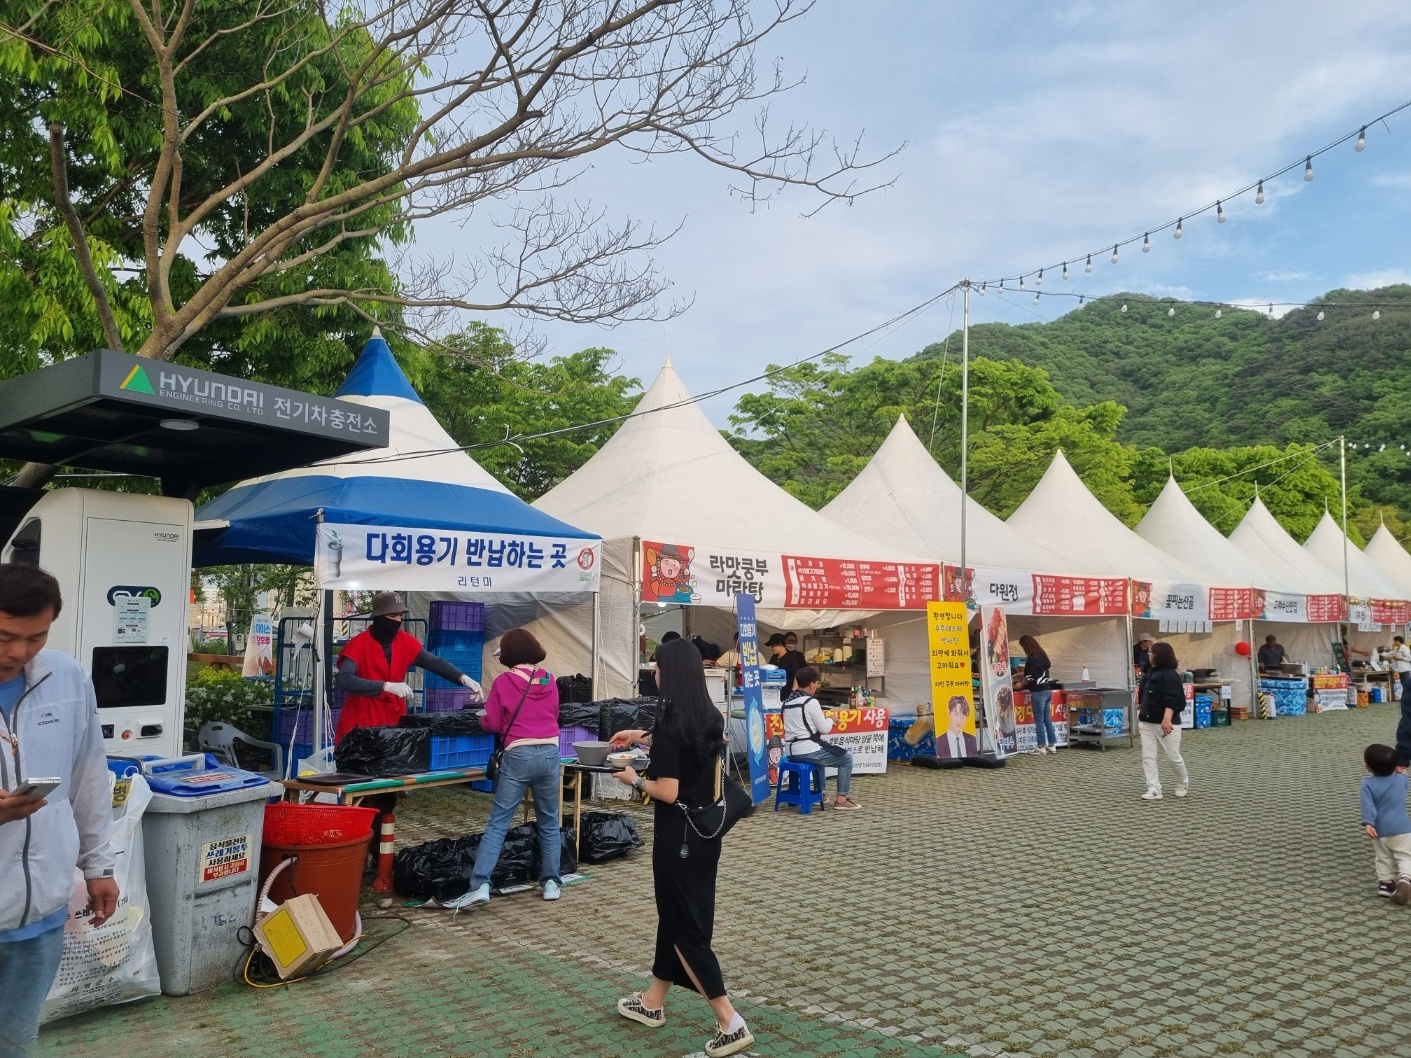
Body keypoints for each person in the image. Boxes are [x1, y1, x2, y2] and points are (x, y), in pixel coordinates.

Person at [607, 639, 755, 1058]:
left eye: (656, 667)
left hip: (679, 838)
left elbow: (667, 791)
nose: (654, 673)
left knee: (684, 926)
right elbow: (684, 746)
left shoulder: (672, 723)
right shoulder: (706, 713)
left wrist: (634, 779)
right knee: (678, 916)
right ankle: (652, 1001)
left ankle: (729, 1019)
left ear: (666, 674)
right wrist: (641, 735)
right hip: (706, 835)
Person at [0, 565, 119, 1057]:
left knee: (16, 1041)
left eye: (36, 636)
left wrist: (99, 865)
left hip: (40, 913)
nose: (19, 652)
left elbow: (90, 773)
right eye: (5, 636)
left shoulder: (66, 676)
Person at [453, 628, 562, 907]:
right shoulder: (550, 679)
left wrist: (482, 718)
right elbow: (554, 714)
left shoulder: (503, 682)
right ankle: (551, 882)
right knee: (549, 821)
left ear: (509, 655)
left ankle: (480, 886)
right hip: (551, 753)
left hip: (518, 754)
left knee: (499, 822)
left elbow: (491, 723)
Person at [333, 591, 483, 742]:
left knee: (393, 760)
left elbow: (435, 662)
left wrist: (462, 677)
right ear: (378, 617)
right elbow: (344, 680)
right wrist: (385, 686)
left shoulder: (406, 642)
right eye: (393, 616)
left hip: (393, 717)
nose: (398, 620)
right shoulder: (358, 644)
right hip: (362, 718)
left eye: (400, 616)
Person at [780, 667, 860, 809]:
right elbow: (824, 729)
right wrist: (830, 719)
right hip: (806, 750)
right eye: (816, 683)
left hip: (791, 751)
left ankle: (819, 794)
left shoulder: (788, 702)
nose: (816, 686)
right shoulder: (810, 702)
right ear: (811, 683)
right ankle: (841, 800)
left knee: (820, 753)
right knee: (847, 759)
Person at [1136, 641, 1190, 801]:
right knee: (1148, 757)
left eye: (1152, 652)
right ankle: (1154, 788)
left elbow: (1174, 699)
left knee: (1172, 756)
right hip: (1146, 721)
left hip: (1166, 722)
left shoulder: (1170, 675)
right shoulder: (1151, 672)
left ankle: (1183, 782)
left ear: (1160, 655)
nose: (1149, 655)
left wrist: (1167, 719)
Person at [1361, 743, 1411, 903]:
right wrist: (1400, 768)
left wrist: (1369, 823)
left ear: (1367, 766)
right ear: (1395, 766)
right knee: (1405, 856)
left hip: (1380, 830)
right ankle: (1405, 879)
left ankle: (1386, 885)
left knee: (1382, 857)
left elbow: (1368, 807)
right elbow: (1405, 772)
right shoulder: (1401, 780)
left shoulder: (1367, 785)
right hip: (1402, 828)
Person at [1018, 634, 1058, 755]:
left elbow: (1030, 678)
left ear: (1026, 646)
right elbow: (1038, 673)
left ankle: (1041, 746)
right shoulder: (1042, 656)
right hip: (1047, 690)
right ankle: (1052, 745)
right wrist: (1017, 675)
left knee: (1039, 720)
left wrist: (1020, 684)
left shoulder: (1031, 658)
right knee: (1047, 718)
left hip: (1038, 692)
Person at [1388, 635, 1411, 706]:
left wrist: (1399, 658)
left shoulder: (1404, 648)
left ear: (1398, 641)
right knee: (1404, 684)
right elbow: (1390, 654)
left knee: (1406, 685)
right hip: (1401, 670)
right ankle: (1405, 699)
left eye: (1394, 641)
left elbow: (1409, 658)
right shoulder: (1398, 649)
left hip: (1405, 669)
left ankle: (1407, 699)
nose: (1394, 642)